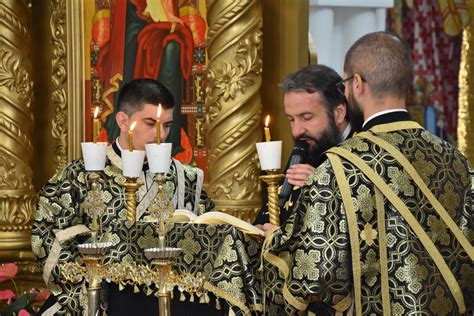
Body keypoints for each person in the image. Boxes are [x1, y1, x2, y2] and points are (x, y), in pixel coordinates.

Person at [263, 31, 473, 315]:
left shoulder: (340, 166)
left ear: (357, 84)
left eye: (347, 84)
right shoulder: (455, 159)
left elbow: (313, 277)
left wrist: (276, 242)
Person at [32, 79, 218, 315]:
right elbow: (47, 238)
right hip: (97, 301)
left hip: (169, 301)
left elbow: (207, 244)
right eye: (151, 123)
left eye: (167, 125)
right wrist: (94, 294)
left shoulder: (186, 179)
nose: (161, 134)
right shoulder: (77, 176)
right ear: (123, 120)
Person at [254, 64, 352, 229]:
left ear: (339, 113)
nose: (297, 130)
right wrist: (259, 229)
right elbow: (274, 212)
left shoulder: (361, 153)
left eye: (306, 117)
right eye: (291, 119)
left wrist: (325, 187)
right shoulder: (307, 146)